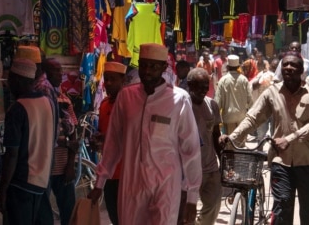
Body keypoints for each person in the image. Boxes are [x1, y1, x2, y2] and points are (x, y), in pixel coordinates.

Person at [88, 43, 202, 224]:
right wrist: (100, 182)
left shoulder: (180, 100)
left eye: (153, 66)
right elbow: (113, 143)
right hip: (131, 184)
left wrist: (192, 197)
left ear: (164, 68)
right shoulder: (126, 97)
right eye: (144, 65)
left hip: (165, 185)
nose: (147, 71)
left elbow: (191, 150)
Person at [221, 51, 309, 225]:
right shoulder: (272, 92)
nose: (289, 68)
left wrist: (289, 139)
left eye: (294, 65)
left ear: (302, 70)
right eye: (285, 65)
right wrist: (232, 137)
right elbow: (253, 118)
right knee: (281, 209)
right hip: (281, 162)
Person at [0, 58, 57, 225]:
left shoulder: (17, 108)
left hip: (20, 184)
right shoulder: (49, 103)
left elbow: (12, 154)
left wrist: (3, 190)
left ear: (17, 80)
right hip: (42, 183)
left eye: (10, 80)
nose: (8, 85)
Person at [35, 58, 78, 225]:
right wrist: (64, 143)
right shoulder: (40, 99)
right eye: (56, 71)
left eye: (61, 71)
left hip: (62, 166)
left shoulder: (65, 101)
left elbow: (74, 134)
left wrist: (70, 165)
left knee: (69, 211)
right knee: (44, 215)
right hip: (44, 168)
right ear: (44, 74)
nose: (61, 74)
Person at [182, 68, 223, 225]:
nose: (203, 90)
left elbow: (215, 134)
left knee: (213, 205)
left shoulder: (212, 105)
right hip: (187, 170)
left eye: (206, 86)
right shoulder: (182, 105)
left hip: (210, 167)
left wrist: (222, 161)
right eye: (199, 86)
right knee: (186, 210)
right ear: (190, 85)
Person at [94, 61, 127, 225]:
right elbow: (105, 136)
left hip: (127, 174)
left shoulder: (130, 105)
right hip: (109, 174)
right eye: (106, 79)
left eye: (112, 79)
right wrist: (99, 141)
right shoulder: (104, 105)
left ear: (123, 81)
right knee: (115, 218)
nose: (108, 83)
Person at [215, 55, 252, 135]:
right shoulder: (244, 80)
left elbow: (218, 102)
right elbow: (250, 100)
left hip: (228, 119)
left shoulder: (222, 81)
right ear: (238, 66)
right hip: (242, 118)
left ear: (227, 67)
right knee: (240, 145)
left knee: (230, 144)